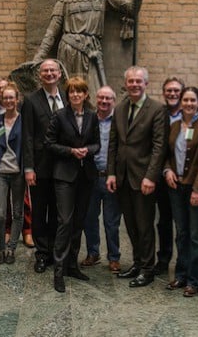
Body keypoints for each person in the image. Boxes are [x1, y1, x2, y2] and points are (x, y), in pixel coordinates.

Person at [33, 0, 144, 98]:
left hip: (92, 51)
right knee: (68, 95)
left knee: (93, 96)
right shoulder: (64, 1)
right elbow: (51, 33)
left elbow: (132, 10)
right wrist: (37, 59)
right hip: (68, 51)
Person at [106, 66, 167, 288]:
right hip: (122, 178)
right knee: (130, 225)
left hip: (144, 180)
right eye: (130, 81)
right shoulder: (120, 108)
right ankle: (137, 263)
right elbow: (113, 143)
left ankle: (148, 269)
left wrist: (151, 176)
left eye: (138, 81)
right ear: (126, 84)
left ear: (145, 84)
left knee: (144, 225)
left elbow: (159, 147)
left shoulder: (157, 109)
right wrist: (111, 172)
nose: (134, 84)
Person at [45, 77, 100, 292]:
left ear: (86, 95)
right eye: (71, 92)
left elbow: (97, 143)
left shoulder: (92, 116)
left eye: (79, 92)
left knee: (79, 221)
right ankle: (58, 271)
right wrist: (70, 151)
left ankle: (72, 265)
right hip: (64, 176)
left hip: (85, 175)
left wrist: (88, 150)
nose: (75, 95)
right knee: (64, 221)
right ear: (67, 96)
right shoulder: (59, 116)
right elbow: (48, 143)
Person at [163, 87, 198, 297]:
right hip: (176, 187)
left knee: (196, 235)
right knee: (181, 233)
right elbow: (166, 153)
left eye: (192, 100)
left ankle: (194, 280)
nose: (188, 103)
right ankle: (181, 274)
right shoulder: (175, 125)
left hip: (196, 189)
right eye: (185, 100)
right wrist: (167, 170)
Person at [22, 59, 68, 273]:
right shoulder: (31, 101)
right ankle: (41, 254)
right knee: (40, 213)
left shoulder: (68, 98)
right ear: (40, 76)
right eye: (45, 71)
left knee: (60, 213)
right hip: (40, 168)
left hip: (65, 168)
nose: (49, 73)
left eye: (53, 70)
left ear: (60, 74)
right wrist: (28, 168)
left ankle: (56, 252)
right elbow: (28, 137)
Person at [80, 85, 122, 273]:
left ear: (114, 101)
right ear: (96, 99)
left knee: (111, 221)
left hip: (111, 178)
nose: (104, 102)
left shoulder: (119, 122)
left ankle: (114, 257)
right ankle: (93, 252)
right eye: (101, 98)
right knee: (90, 218)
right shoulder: (88, 119)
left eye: (108, 99)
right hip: (90, 177)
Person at [0, 83, 25, 264]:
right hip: (0, 173)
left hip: (18, 173)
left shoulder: (24, 121)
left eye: (12, 97)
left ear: (17, 99)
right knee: (0, 214)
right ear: (1, 100)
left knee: (18, 212)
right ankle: (1, 249)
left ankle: (12, 249)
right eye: (5, 98)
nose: (9, 100)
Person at [153, 77, 185, 275]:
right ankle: (163, 260)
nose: (172, 94)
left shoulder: (191, 116)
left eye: (176, 90)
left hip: (183, 179)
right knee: (163, 221)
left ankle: (183, 263)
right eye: (169, 90)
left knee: (182, 225)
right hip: (161, 177)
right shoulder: (159, 114)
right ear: (164, 93)